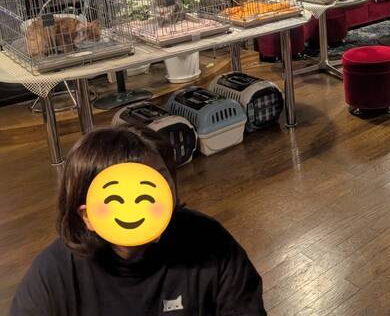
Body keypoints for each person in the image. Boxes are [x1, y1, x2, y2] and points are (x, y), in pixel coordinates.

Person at [11, 126, 267, 315]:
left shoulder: (211, 244)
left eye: (157, 182)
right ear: (87, 216)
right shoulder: (55, 274)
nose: (144, 204)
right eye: (118, 196)